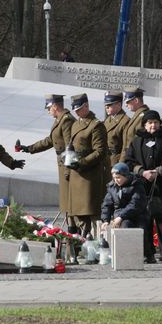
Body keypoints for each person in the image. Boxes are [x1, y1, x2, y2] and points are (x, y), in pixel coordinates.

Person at [125, 110, 162, 262]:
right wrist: (142, 172)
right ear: (144, 125)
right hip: (143, 186)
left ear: (160, 123)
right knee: (145, 220)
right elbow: (129, 161)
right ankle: (148, 253)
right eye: (150, 123)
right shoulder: (137, 141)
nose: (153, 125)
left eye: (156, 122)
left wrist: (158, 171)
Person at [17, 94, 74, 219]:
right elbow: (50, 140)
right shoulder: (59, 120)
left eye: (49, 108)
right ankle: (71, 224)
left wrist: (68, 168)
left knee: (70, 200)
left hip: (67, 164)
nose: (48, 111)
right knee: (66, 200)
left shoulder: (66, 120)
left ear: (55, 106)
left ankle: (74, 229)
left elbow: (70, 146)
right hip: (62, 162)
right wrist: (29, 148)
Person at [64, 93, 108, 236]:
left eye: (79, 108)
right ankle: (81, 242)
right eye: (75, 109)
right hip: (75, 173)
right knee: (76, 213)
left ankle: (92, 242)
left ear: (87, 106)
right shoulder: (76, 124)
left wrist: (82, 162)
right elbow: (71, 147)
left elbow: (100, 151)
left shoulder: (96, 125)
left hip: (88, 175)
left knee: (89, 212)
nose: (76, 112)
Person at [100, 162, 151, 262]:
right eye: (114, 178)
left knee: (141, 229)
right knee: (125, 226)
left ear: (125, 176)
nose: (116, 180)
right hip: (120, 216)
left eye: (118, 177)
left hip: (137, 214)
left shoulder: (136, 185)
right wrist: (105, 220)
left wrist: (121, 216)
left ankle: (147, 254)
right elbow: (107, 204)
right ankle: (125, 255)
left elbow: (135, 204)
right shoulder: (112, 187)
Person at [119, 87, 150, 162]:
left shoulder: (145, 116)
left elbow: (140, 141)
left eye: (128, 102)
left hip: (135, 159)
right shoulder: (137, 115)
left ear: (136, 100)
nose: (126, 105)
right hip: (129, 157)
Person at [104, 90, 129, 167]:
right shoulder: (108, 120)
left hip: (115, 161)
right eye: (106, 105)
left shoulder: (125, 121)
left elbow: (126, 146)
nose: (106, 107)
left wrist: (121, 164)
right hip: (105, 160)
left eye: (110, 105)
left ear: (118, 105)